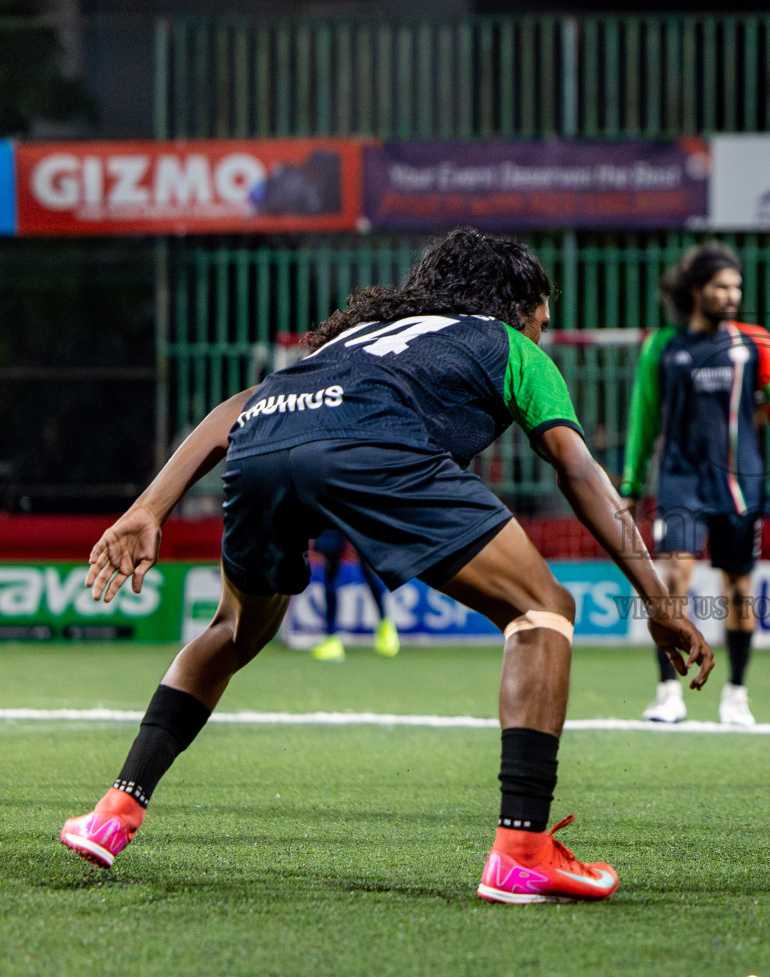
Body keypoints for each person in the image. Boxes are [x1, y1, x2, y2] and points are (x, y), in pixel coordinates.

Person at [61, 228, 712, 905]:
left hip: (265, 445)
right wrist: (659, 601)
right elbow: (580, 472)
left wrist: (149, 509)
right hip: (369, 446)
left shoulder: (362, 336)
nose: (543, 336)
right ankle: (521, 850)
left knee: (231, 630)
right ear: (518, 306)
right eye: (543, 321)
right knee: (542, 610)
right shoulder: (507, 344)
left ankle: (114, 813)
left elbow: (239, 409)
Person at [619, 243, 770, 725]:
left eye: (737, 287)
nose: (732, 295)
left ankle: (736, 693)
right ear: (697, 290)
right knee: (671, 581)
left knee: (738, 587)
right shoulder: (663, 345)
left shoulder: (754, 343)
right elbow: (643, 419)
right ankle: (667, 690)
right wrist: (631, 484)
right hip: (679, 482)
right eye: (722, 287)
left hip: (739, 484)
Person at [308, 528, 399, 661]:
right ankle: (331, 638)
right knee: (331, 572)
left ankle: (386, 626)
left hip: (355, 513)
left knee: (368, 569)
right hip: (335, 514)